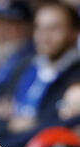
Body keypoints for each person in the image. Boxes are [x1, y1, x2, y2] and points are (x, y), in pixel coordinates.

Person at [8, 1, 80, 133]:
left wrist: (29, 123)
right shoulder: (24, 65)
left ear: (74, 33)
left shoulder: (76, 75)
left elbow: (60, 125)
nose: (44, 36)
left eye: (54, 28)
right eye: (39, 28)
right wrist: (9, 123)